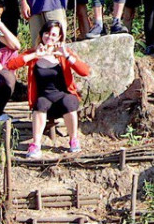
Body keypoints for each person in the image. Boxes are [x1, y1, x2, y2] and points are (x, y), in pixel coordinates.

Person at [7, 21, 91, 158]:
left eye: (54, 35)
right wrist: (35, 55)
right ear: (42, 34)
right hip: (44, 98)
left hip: (62, 97)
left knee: (69, 102)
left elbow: (85, 71)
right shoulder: (34, 54)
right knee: (40, 104)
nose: (49, 37)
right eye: (47, 33)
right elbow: (11, 65)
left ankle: (73, 139)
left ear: (59, 37)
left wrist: (67, 56)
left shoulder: (63, 54)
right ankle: (36, 144)